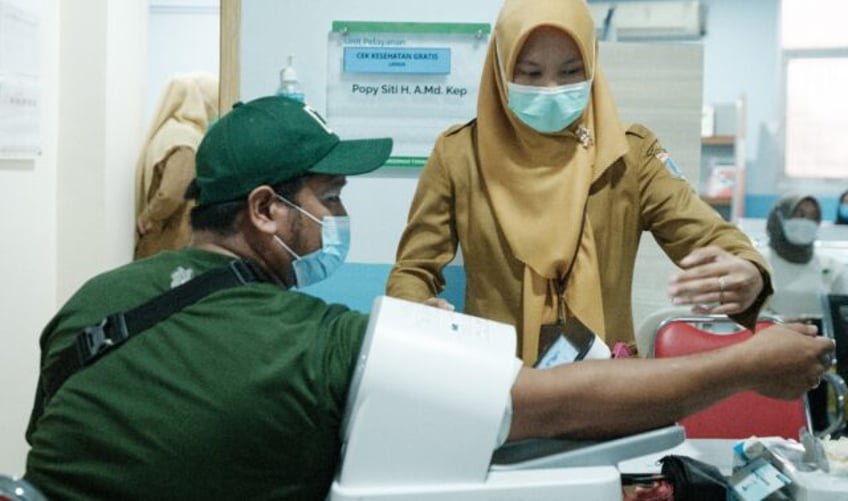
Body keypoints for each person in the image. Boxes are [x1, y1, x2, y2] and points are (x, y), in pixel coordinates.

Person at [24, 96, 832, 500]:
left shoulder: (92, 300)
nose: (337, 219)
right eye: (330, 197)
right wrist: (750, 362)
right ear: (268, 210)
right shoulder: (308, 343)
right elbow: (551, 402)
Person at [386, 0, 772, 364]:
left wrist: (750, 272)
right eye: (531, 73)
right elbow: (414, 269)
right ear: (501, 71)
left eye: (571, 72)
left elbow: (709, 236)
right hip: (497, 382)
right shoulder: (460, 155)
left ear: (592, 65)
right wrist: (416, 313)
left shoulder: (628, 155)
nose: (552, 88)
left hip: (607, 388)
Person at [760, 193, 848, 432]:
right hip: (769, 352)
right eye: (800, 215)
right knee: (773, 418)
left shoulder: (831, 266)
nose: (806, 222)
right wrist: (776, 322)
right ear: (780, 218)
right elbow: (746, 311)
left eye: (813, 217)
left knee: (816, 421)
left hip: (818, 355)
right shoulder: (759, 263)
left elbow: (841, 310)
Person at [134, 72, 219, 259]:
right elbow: (172, 193)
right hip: (168, 242)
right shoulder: (184, 140)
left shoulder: (170, 133)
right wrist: (150, 218)